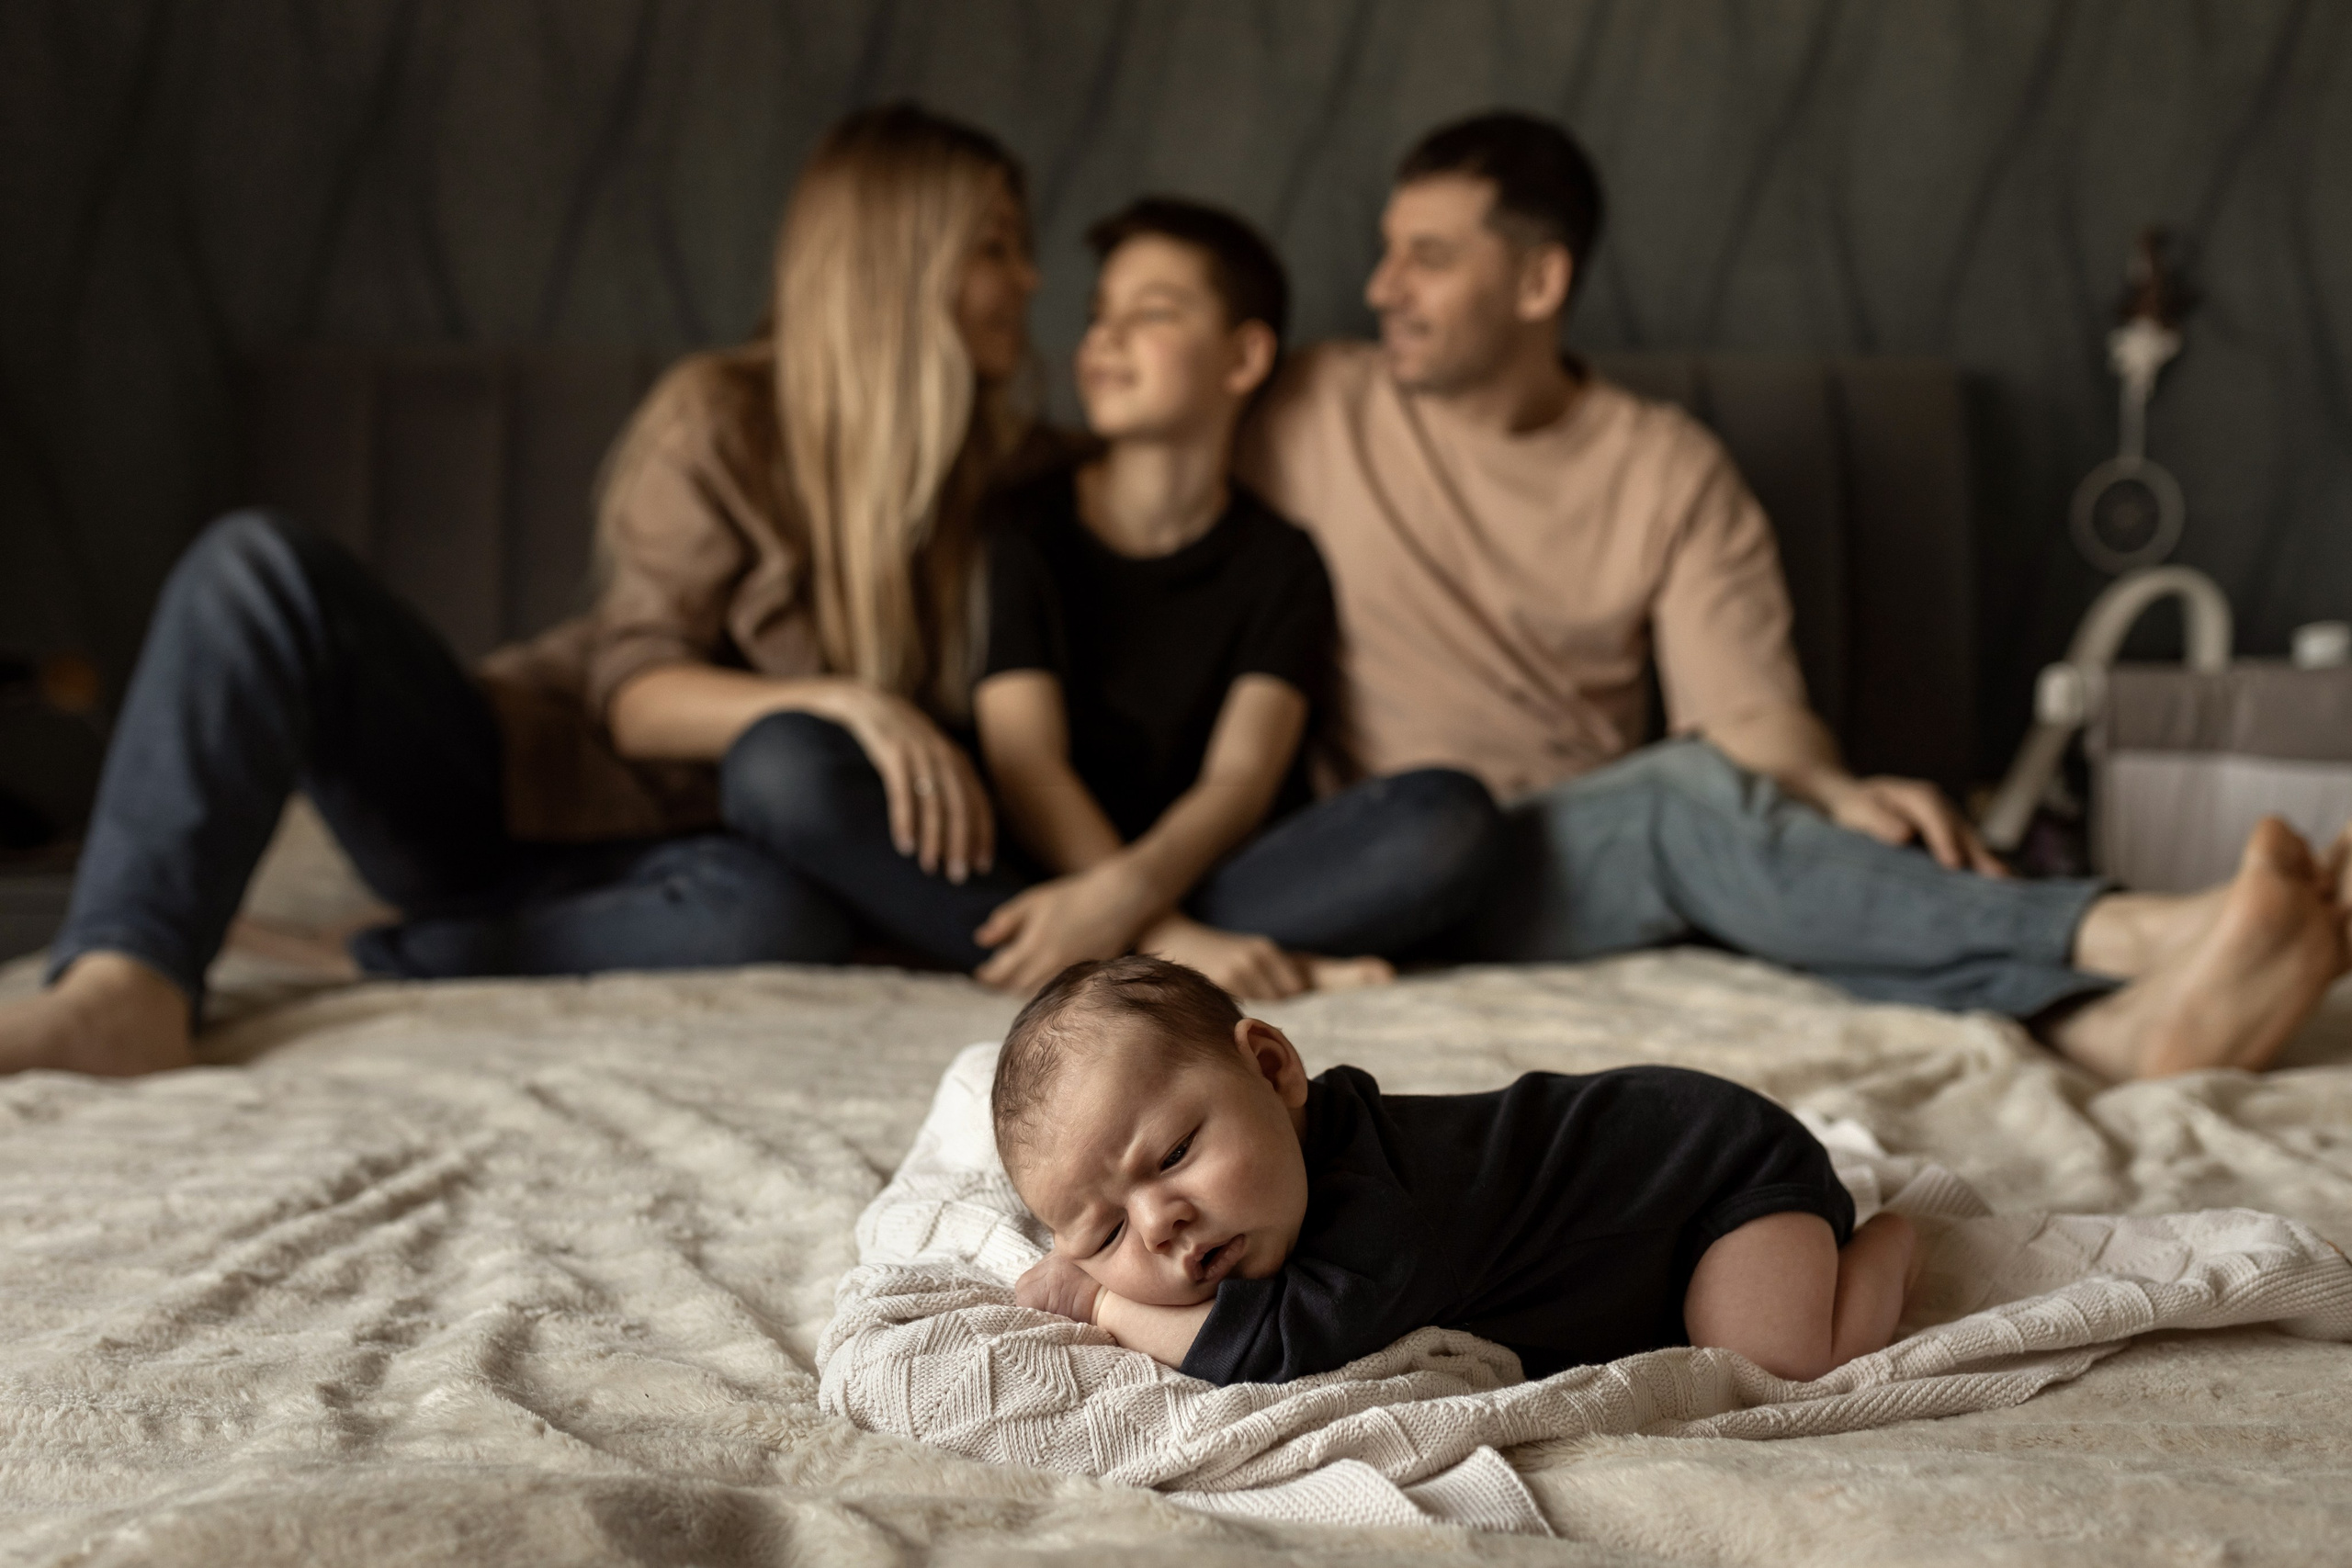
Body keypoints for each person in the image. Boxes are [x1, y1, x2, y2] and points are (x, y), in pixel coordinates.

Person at [1238, 109, 2349, 1080]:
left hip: (1565, 873)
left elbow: (1748, 713)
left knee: (1744, 825)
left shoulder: (1664, 465)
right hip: (1377, 858)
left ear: (1540, 281)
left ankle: (2106, 1031)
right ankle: (2135, 934)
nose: (1383, 287)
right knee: (1683, 803)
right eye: (1389, 253)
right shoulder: (1304, 405)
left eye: (1425, 257)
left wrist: (1829, 791)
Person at [0, 103, 1050, 1077]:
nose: (1034, 281)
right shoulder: (725, 417)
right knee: (257, 567)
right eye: (996, 246)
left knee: (776, 921)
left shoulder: (1013, 485)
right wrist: (843, 700)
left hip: (686, 864)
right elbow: (638, 698)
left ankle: (365, 956)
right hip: (505, 790)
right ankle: (123, 978)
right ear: (900, 264)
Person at [741, 199, 1502, 1000]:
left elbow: (1238, 779)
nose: (1105, 336)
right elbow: (1026, 759)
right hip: (1040, 867)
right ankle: (1186, 965)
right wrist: (1165, 936)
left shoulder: (1284, 561)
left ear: (1243, 358)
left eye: (1154, 314)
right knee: (784, 765)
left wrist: (1132, 896)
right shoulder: (1025, 524)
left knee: (1445, 818)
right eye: (1100, 313)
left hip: (1207, 873)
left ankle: (1088, 957)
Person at [999, 955, 1917, 1384]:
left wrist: (1102, 1298)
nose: (1160, 1223)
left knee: (1774, 1362)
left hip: (1716, 1175)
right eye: (1108, 1232)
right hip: (1649, 1172)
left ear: (1275, 1071)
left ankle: (1885, 1242)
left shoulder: (1392, 1211)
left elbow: (1268, 1349)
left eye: (1173, 1155)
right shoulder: (1283, 1181)